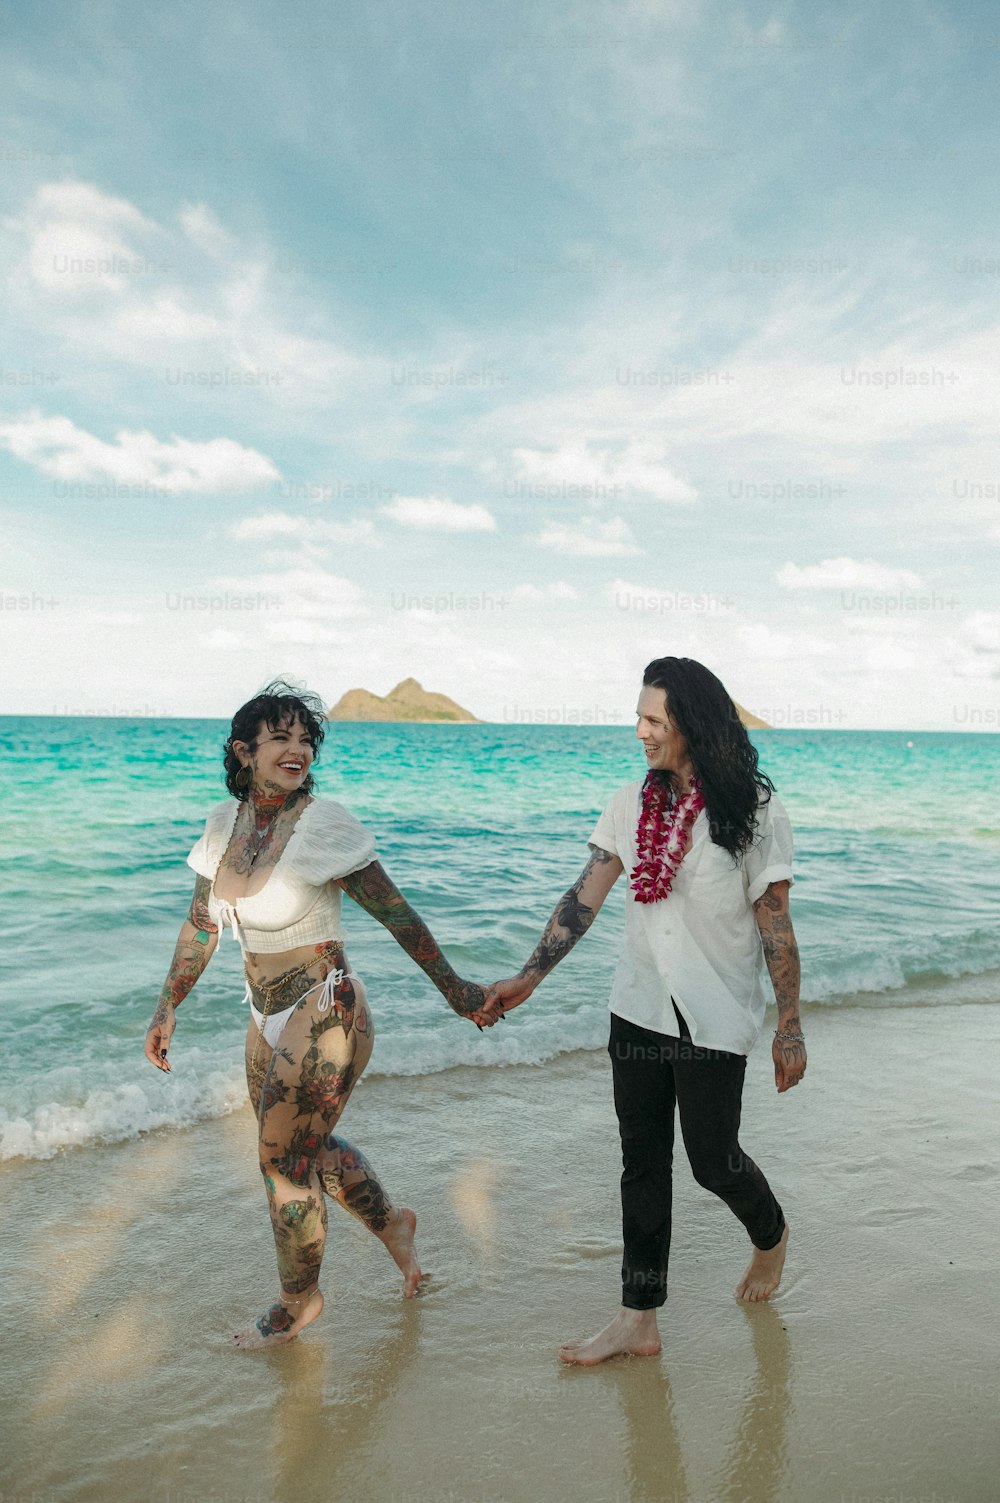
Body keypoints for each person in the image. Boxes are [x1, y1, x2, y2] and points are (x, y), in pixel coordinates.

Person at [144, 680, 489, 1350]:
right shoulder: (224, 825)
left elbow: (395, 911)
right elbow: (200, 925)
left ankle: (298, 1301)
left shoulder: (322, 822)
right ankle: (393, 1222)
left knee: (280, 1162)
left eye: (307, 738)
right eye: (282, 736)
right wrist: (167, 1004)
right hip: (263, 1011)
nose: (298, 748)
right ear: (244, 751)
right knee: (300, 1149)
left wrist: (456, 988)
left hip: (326, 1008)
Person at [479, 657, 806, 1365]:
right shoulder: (630, 803)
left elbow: (774, 922)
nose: (640, 732)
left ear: (691, 722)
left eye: (653, 719)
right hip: (638, 1008)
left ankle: (772, 1233)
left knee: (713, 1163)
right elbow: (584, 897)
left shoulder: (752, 811)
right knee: (641, 1162)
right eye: (640, 717)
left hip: (714, 1013)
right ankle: (638, 1318)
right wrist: (529, 975)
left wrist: (789, 1024)